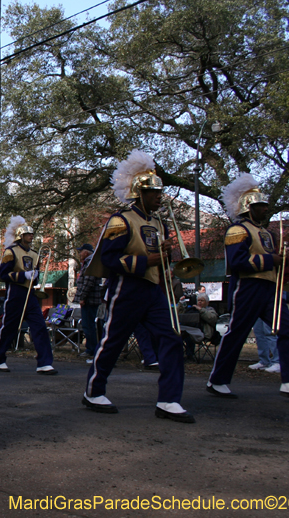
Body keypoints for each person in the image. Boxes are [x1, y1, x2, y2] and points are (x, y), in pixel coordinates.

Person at [82, 150, 193, 423]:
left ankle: (169, 399)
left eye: (160, 191)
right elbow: (109, 259)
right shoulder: (120, 220)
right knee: (113, 341)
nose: (159, 195)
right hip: (127, 288)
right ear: (138, 192)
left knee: (171, 339)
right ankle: (93, 391)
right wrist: (147, 261)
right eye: (153, 191)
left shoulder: (158, 222)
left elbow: (157, 256)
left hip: (154, 290)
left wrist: (165, 255)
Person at [206, 173, 289, 404]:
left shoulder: (267, 233)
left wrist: (283, 260)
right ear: (248, 207)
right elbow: (236, 262)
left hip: (270, 288)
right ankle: (217, 380)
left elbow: (272, 259)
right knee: (237, 334)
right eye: (260, 205)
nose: (266, 208)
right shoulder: (237, 230)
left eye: (265, 204)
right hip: (247, 287)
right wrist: (270, 260)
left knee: (288, 330)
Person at [0, 216, 56, 374]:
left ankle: (44, 362)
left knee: (40, 326)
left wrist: (34, 277)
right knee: (9, 327)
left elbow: (36, 275)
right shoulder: (11, 251)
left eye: (32, 234)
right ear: (21, 235)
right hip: (15, 292)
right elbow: (3, 274)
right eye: (28, 234)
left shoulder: (35, 254)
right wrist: (23, 276)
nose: (31, 236)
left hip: (30, 294)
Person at [73, 243, 105, 358]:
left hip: (89, 299)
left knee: (88, 325)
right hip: (91, 299)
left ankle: (91, 349)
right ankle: (92, 348)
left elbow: (88, 282)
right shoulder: (91, 262)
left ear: (86, 252)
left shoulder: (90, 263)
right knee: (89, 324)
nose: (80, 254)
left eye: (81, 251)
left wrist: (82, 297)